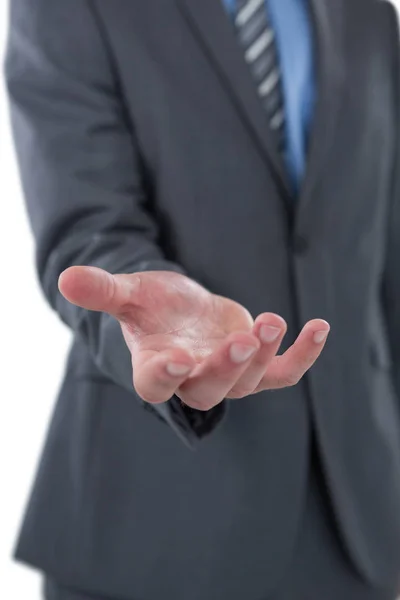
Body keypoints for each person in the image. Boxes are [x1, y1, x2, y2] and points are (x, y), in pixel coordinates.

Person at [4, 0, 400, 598]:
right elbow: (90, 229)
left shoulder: (367, 14)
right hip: (153, 520)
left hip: (359, 523)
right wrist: (147, 320)